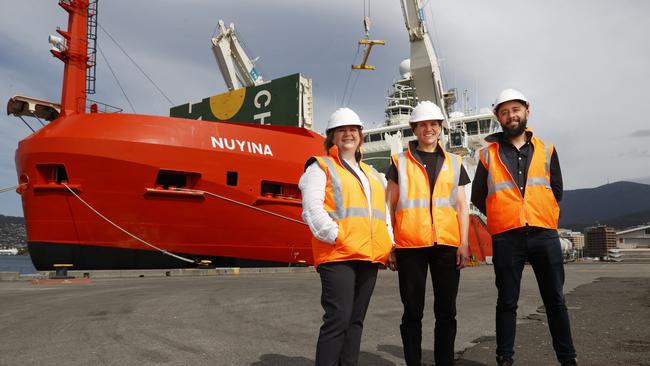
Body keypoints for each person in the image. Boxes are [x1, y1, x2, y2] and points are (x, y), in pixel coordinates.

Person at [471, 89, 577, 366]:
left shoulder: (546, 150)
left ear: (527, 112)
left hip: (543, 233)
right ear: (498, 117)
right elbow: (477, 196)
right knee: (507, 301)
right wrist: (502, 214)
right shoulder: (486, 155)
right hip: (507, 237)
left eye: (515, 110)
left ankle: (568, 359)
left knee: (556, 300)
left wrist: (542, 212)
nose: (511, 116)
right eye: (504, 112)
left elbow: (556, 190)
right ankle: (504, 359)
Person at [299, 107, 393, 366]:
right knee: (338, 319)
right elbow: (312, 210)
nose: (348, 134)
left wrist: (389, 242)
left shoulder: (373, 174)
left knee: (356, 321)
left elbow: (384, 213)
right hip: (337, 254)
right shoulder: (320, 167)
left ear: (360, 135)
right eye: (342, 130)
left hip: (370, 254)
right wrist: (337, 235)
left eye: (353, 129)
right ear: (332, 136)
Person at [385, 100, 471, 366]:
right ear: (414, 129)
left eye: (433, 124)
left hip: (446, 244)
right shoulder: (399, 162)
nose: (429, 129)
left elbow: (461, 206)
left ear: (440, 127)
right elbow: (388, 206)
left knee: (447, 311)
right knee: (413, 311)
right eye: (423, 125)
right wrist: (390, 244)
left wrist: (464, 242)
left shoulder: (455, 162)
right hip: (410, 245)